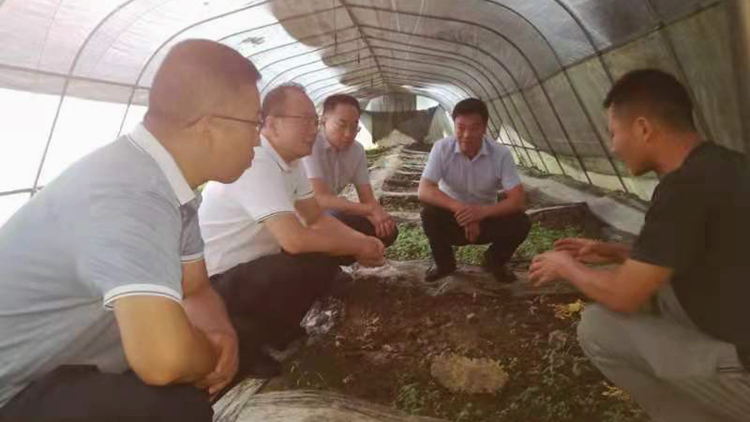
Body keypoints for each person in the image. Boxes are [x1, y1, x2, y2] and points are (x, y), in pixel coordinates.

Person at [0, 40, 263, 421]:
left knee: (230, 343)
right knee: (173, 409)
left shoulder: (171, 188)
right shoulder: (131, 195)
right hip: (12, 392)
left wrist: (222, 335)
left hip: (63, 367)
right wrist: (212, 357)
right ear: (209, 127)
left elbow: (195, 288)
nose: (258, 137)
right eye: (254, 122)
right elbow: (164, 359)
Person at [530, 69, 750, 422]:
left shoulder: (683, 188)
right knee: (656, 287)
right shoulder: (729, 165)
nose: (613, 147)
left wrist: (566, 266)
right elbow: (705, 255)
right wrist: (616, 252)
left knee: (598, 328)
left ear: (643, 128)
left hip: (743, 367)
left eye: (613, 133)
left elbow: (624, 296)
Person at [199, 84, 385, 377]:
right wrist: (356, 247)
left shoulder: (292, 161)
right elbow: (294, 240)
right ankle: (244, 344)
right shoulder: (255, 161)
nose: (313, 129)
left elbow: (315, 218)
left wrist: (361, 240)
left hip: (256, 265)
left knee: (319, 258)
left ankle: (275, 329)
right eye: (305, 120)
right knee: (296, 266)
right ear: (272, 124)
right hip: (215, 283)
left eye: (315, 121)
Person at [418, 98, 531, 283]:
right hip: (452, 218)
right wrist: (462, 210)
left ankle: (494, 261)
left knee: (521, 222)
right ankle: (444, 264)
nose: (467, 135)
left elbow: (518, 200)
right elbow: (424, 189)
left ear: (484, 128)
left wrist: (481, 213)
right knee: (429, 214)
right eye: (461, 127)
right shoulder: (441, 148)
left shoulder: (501, 154)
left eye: (474, 127)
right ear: (454, 126)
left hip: (486, 220)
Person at [302, 94, 398, 246]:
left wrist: (378, 216)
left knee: (388, 231)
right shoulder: (311, 146)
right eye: (341, 125)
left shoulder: (356, 150)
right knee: (336, 219)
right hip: (302, 214)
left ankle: (347, 254)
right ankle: (338, 257)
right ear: (323, 121)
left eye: (354, 127)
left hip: (330, 211)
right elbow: (320, 199)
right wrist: (369, 210)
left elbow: (366, 197)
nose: (348, 134)